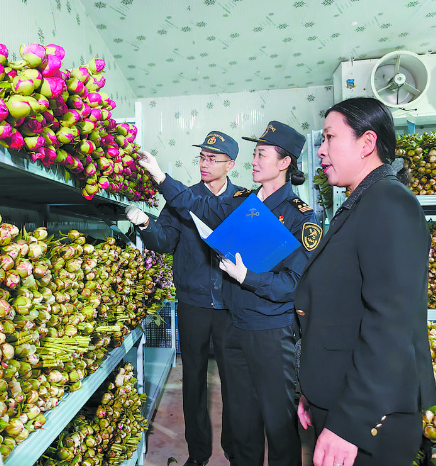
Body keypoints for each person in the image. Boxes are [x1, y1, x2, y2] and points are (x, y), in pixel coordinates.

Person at [137, 121, 322, 466]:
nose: (254, 161)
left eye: (261, 154)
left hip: (269, 330)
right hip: (235, 323)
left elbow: (293, 285)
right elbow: (198, 207)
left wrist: (249, 277)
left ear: (284, 163)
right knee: (242, 416)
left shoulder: (302, 216)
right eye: (253, 154)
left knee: (278, 422)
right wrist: (161, 178)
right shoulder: (243, 203)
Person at [294, 97, 436, 466]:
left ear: (367, 143)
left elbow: (390, 325)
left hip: (371, 417)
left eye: (329, 138)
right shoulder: (361, 202)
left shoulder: (390, 204)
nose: (321, 152)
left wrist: (349, 424)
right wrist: (313, 389)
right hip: (341, 396)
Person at [125, 131, 241, 466]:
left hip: (231, 305)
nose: (205, 164)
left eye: (213, 159)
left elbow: (212, 214)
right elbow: (163, 241)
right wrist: (146, 223)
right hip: (193, 303)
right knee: (193, 381)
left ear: (230, 164)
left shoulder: (239, 201)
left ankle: (235, 451)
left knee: (234, 381)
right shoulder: (181, 199)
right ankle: (198, 453)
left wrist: (162, 178)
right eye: (202, 157)